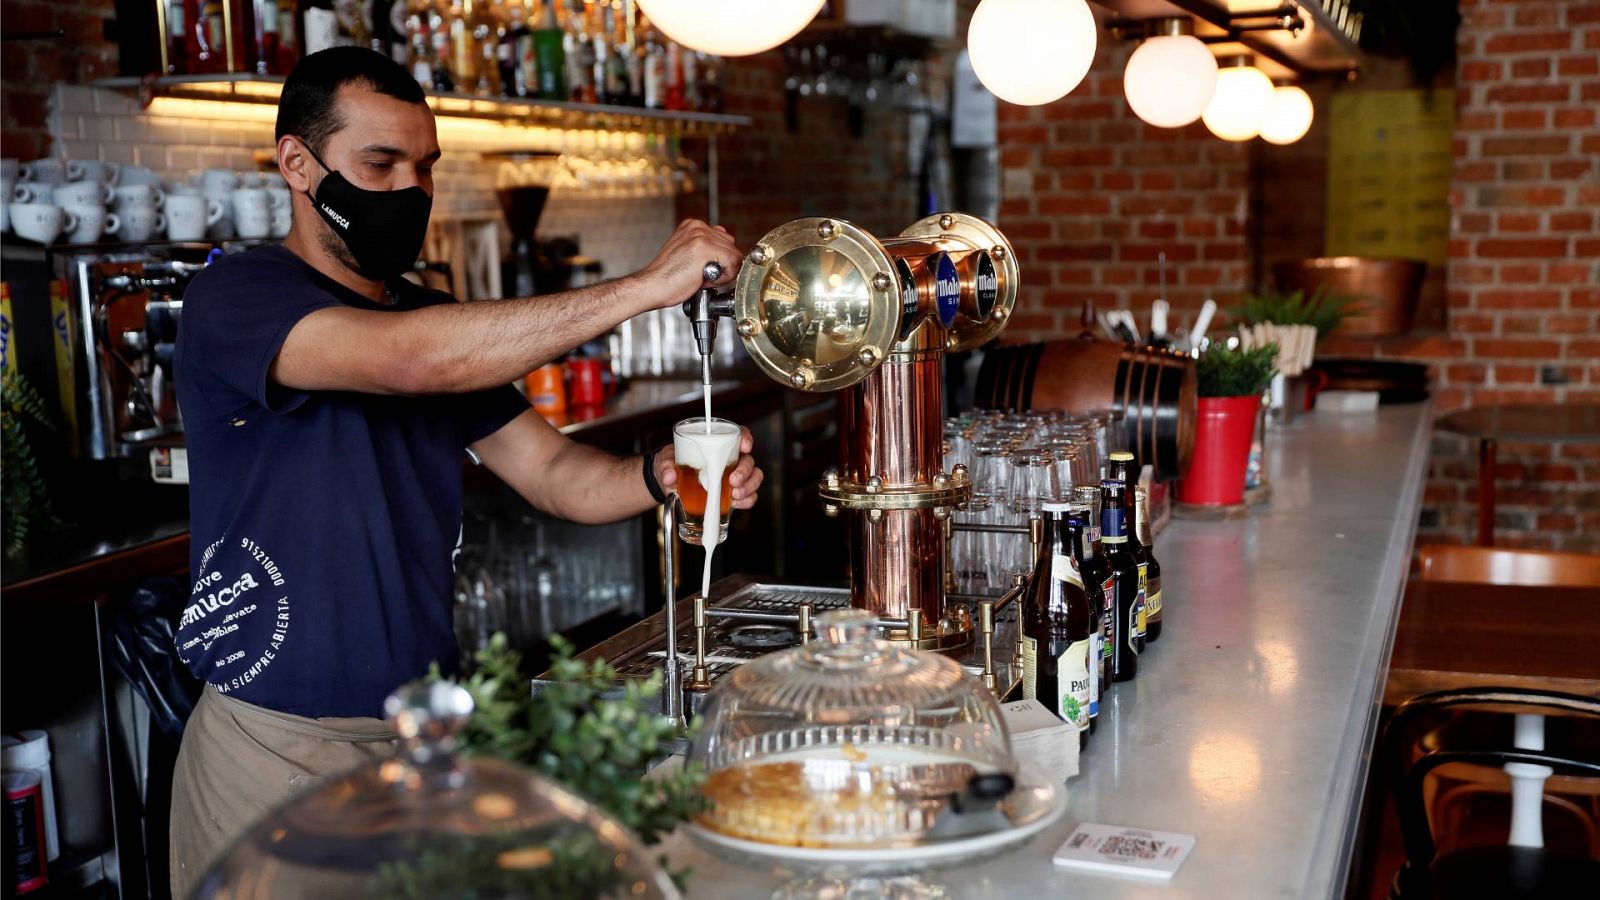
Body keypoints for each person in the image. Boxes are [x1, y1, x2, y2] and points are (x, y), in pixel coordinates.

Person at [168, 47, 761, 895]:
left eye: (425, 167)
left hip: (423, 746)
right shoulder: (237, 297)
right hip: (274, 750)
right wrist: (641, 288)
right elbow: (410, 364)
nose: (410, 189)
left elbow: (554, 470)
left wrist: (658, 477)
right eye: (380, 164)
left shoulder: (433, 319)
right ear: (298, 164)